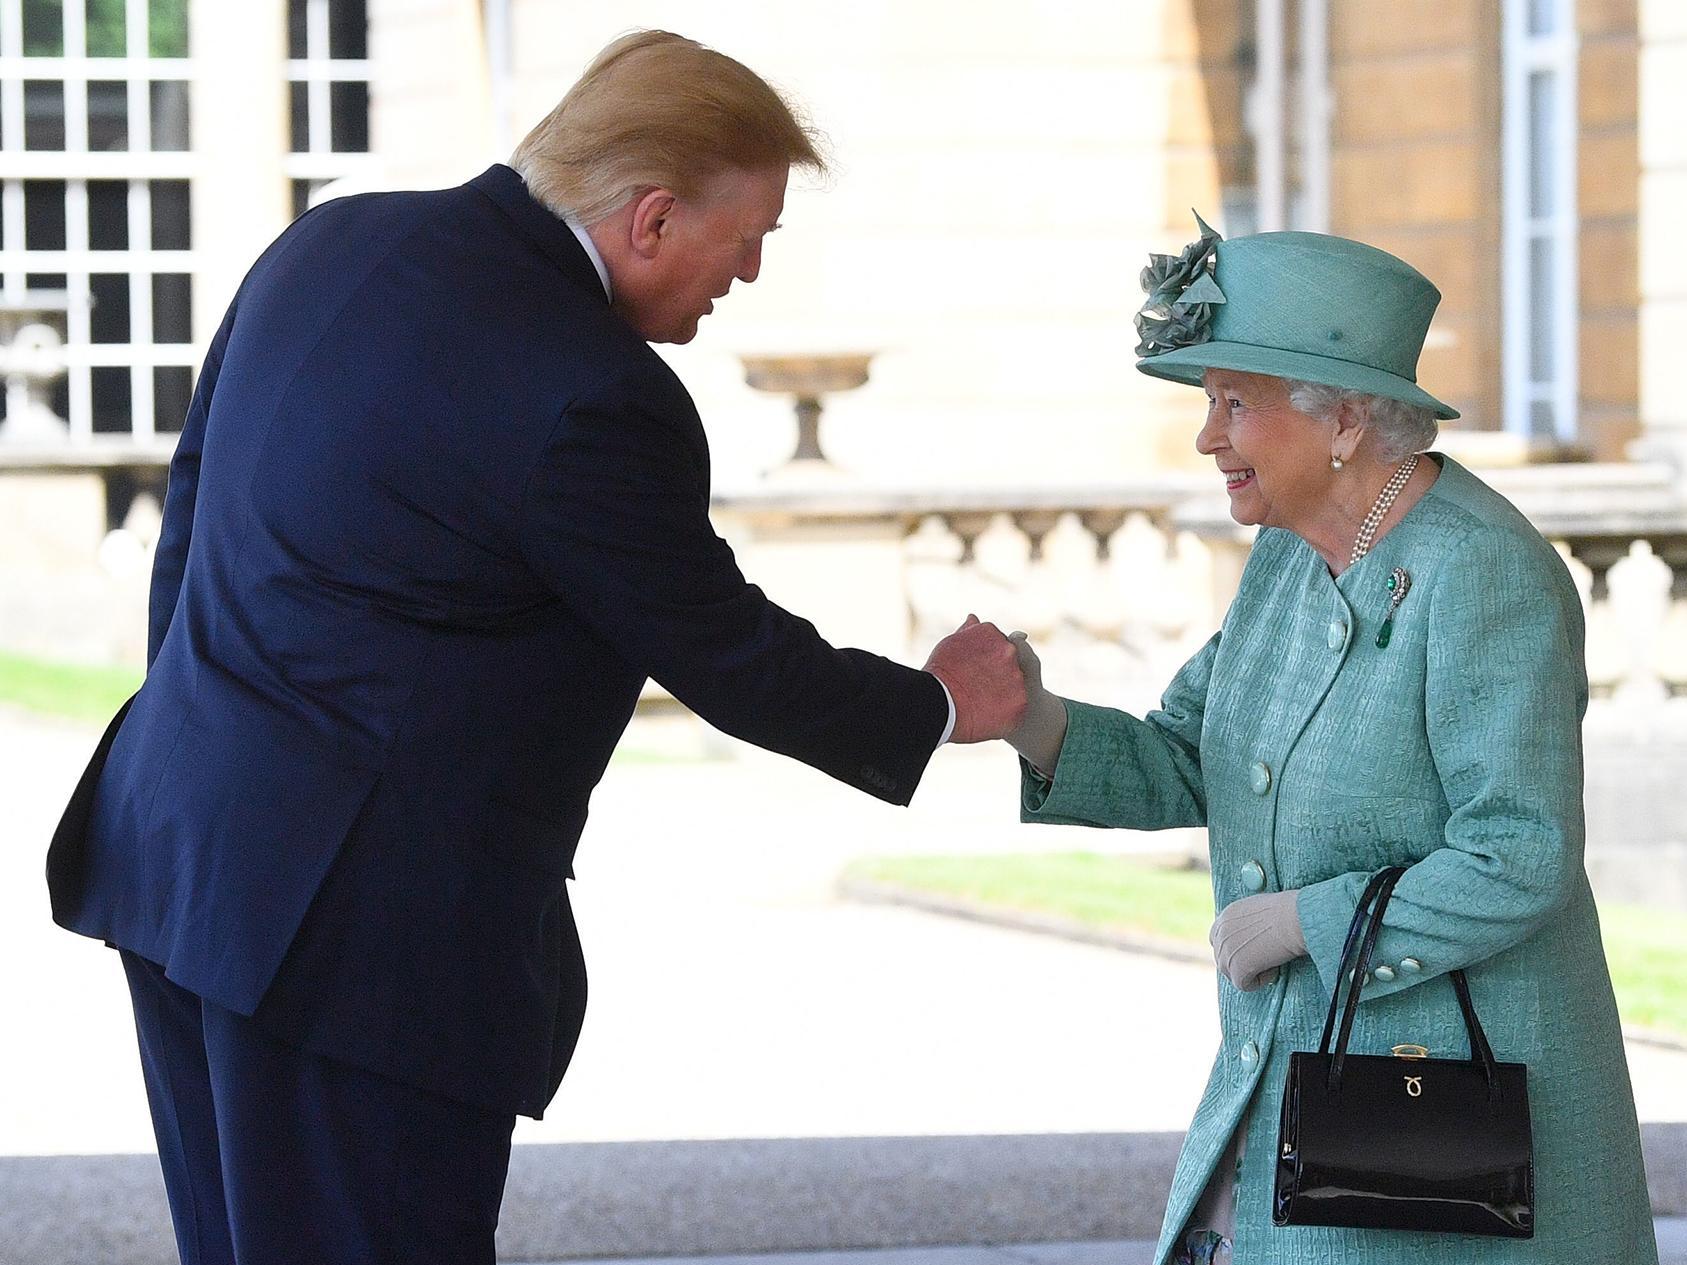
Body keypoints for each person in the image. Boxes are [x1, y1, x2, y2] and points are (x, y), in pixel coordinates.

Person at [45, 30, 1025, 1265]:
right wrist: (938, 702)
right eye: (753, 233)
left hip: (178, 854)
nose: (755, 272)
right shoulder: (594, 392)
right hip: (356, 949)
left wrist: (211, 737)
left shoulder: (330, 242)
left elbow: (191, 517)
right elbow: (721, 648)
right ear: (654, 217)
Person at [1002, 218, 1656, 1263]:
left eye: (1232, 404)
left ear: (1344, 417)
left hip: (1442, 1120)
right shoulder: (1288, 559)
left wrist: (1306, 919)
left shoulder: (1483, 573)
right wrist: (1032, 718)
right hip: (1299, 1085)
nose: (1207, 438)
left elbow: (1518, 854)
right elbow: (1189, 749)